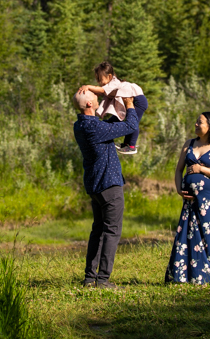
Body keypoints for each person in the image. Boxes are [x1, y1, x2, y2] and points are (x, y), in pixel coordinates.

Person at [72, 88, 138, 289]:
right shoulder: (94, 128)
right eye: (94, 96)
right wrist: (129, 103)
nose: (96, 95)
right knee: (112, 231)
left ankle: (90, 277)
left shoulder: (81, 125)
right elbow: (131, 125)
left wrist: (109, 101)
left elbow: (107, 125)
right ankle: (103, 280)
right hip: (109, 185)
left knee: (98, 230)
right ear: (90, 105)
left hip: (95, 185)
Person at [164, 111, 210, 285]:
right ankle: (182, 276)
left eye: (199, 122)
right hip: (189, 201)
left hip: (208, 201)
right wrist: (179, 188)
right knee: (186, 234)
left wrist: (201, 170)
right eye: (196, 121)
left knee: (208, 236)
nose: (196, 124)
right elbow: (179, 170)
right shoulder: (189, 144)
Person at [79, 61, 147, 155]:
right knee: (116, 118)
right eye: (97, 80)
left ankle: (131, 146)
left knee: (134, 122)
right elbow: (104, 93)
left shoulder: (113, 83)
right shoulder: (112, 85)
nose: (99, 82)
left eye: (100, 79)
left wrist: (88, 87)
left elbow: (102, 90)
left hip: (138, 101)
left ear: (109, 76)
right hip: (130, 102)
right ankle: (125, 144)